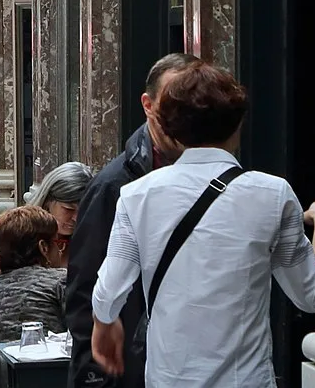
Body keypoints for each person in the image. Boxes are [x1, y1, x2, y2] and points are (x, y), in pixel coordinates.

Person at [90, 63, 315, 387]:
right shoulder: (272, 195)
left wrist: (104, 324)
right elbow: (312, 293)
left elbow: (108, 292)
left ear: (171, 128)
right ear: (238, 124)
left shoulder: (138, 197)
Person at [66, 52, 198, 387]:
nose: (179, 118)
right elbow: (85, 287)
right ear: (148, 105)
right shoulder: (114, 186)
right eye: (170, 105)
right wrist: (98, 373)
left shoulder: (217, 176)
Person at [0, 160, 91, 294]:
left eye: (84, 210)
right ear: (48, 201)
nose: (76, 218)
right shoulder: (13, 232)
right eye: (68, 209)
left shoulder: (93, 237)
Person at [0, 204, 70, 345]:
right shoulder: (61, 280)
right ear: (44, 248)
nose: (60, 251)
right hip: (49, 365)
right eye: (57, 243)